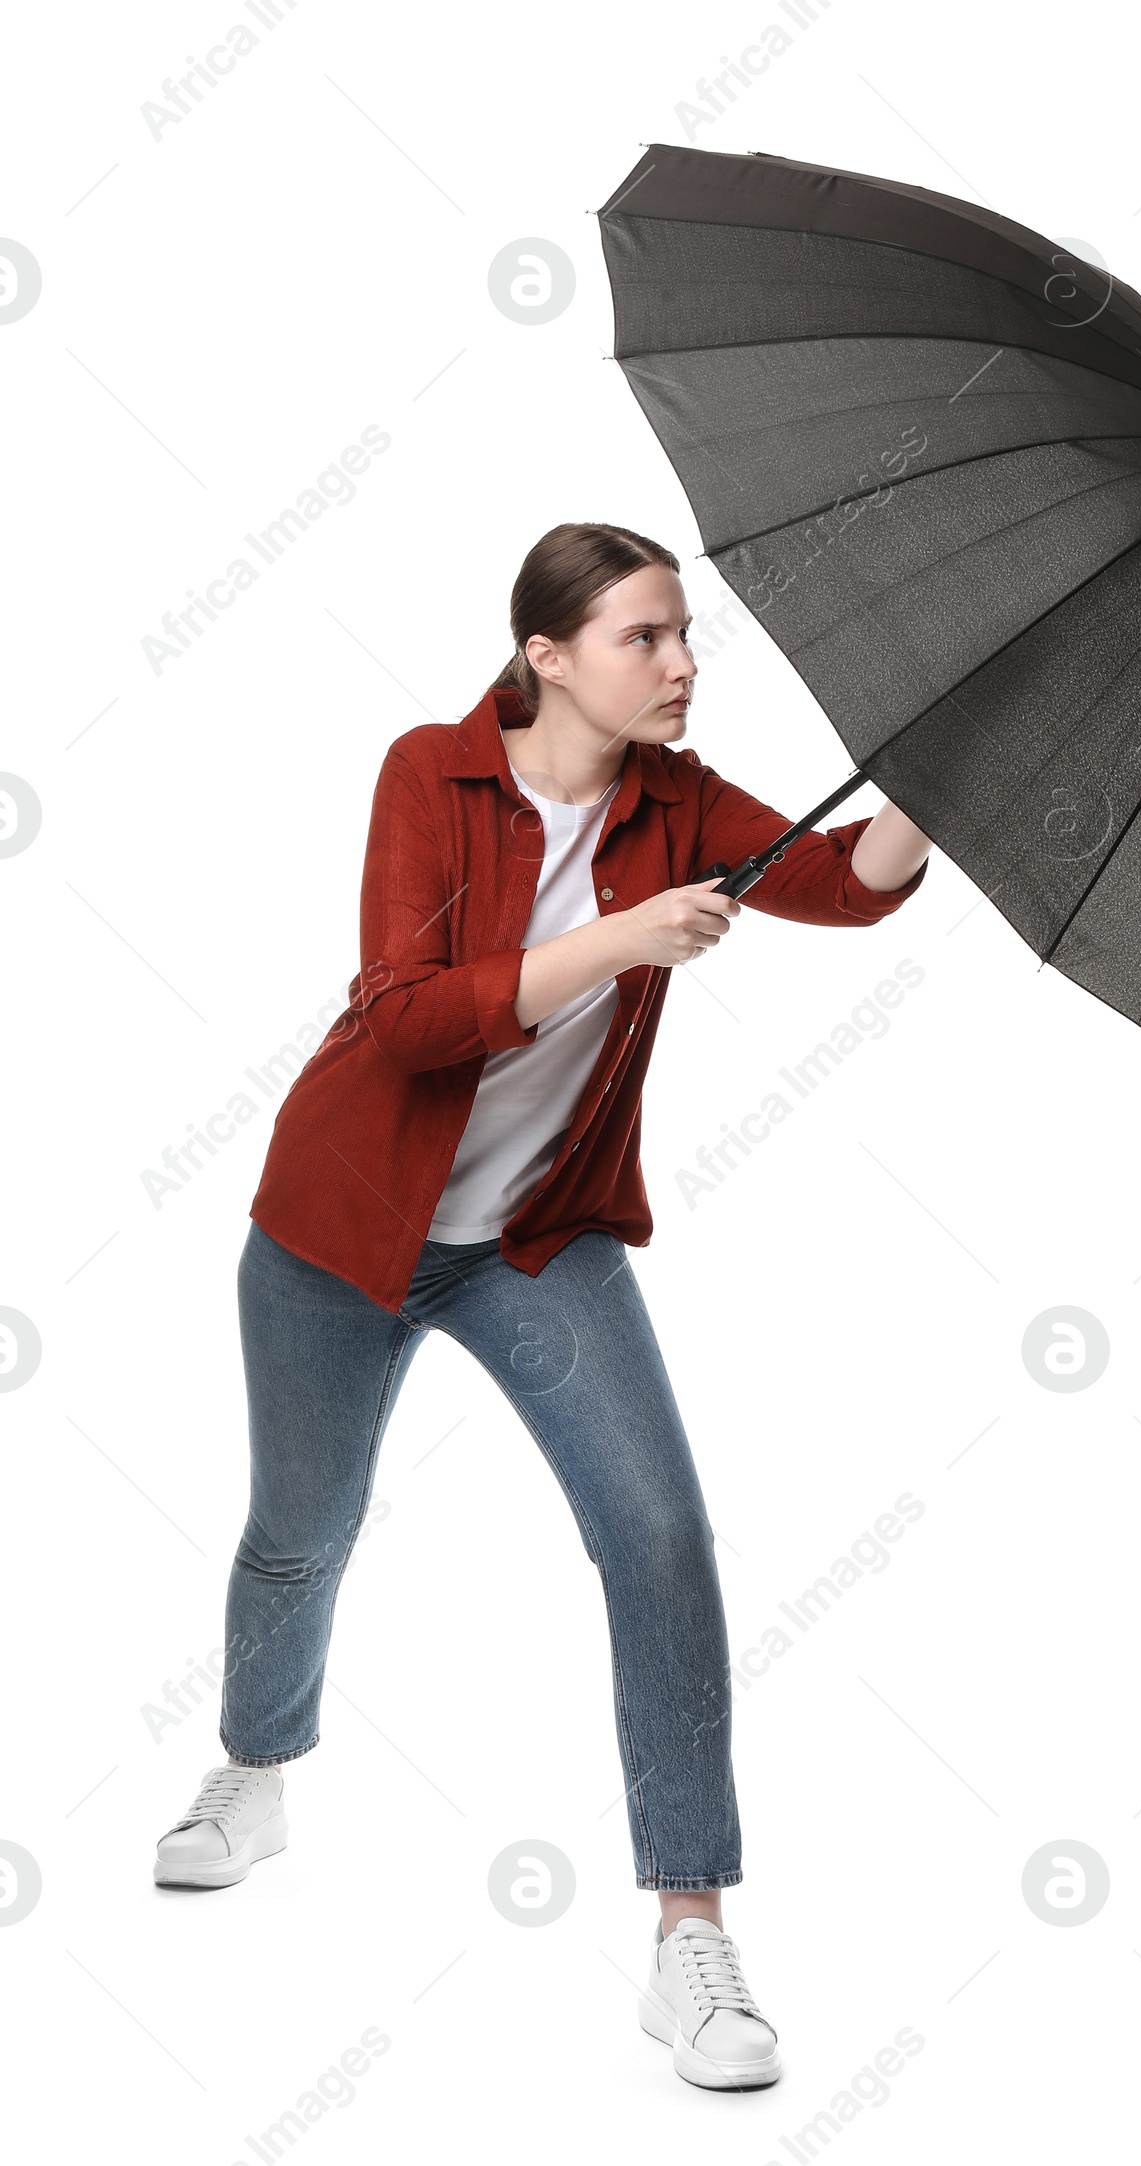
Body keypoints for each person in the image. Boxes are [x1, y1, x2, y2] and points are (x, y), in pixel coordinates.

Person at [150, 521, 931, 2091]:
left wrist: (937, 775)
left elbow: (846, 884)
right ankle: (254, 1769)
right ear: (547, 652)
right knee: (300, 1527)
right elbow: (411, 1014)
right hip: (341, 1226)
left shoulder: (683, 803)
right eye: (646, 636)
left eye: (684, 634)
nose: (684, 662)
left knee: (657, 1531)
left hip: (536, 1238)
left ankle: (688, 1928)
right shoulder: (426, 774)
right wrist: (625, 937)